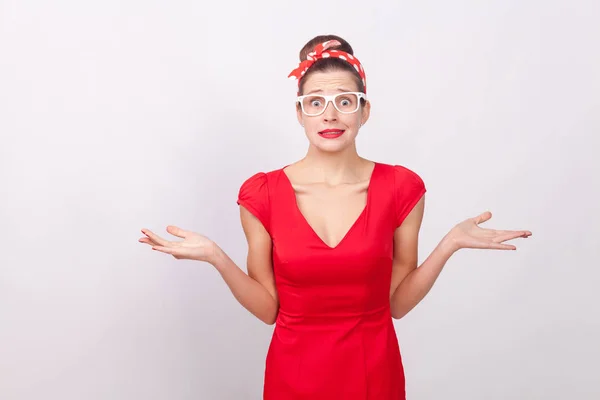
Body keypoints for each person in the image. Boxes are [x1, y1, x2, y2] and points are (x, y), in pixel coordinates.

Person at [139, 35, 532, 399]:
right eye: (316, 103)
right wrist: (216, 257)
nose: (330, 115)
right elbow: (267, 309)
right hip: (292, 377)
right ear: (300, 113)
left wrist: (448, 245)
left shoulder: (401, 189)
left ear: (364, 111)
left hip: (372, 376)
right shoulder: (262, 195)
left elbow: (396, 303)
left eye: (345, 101)